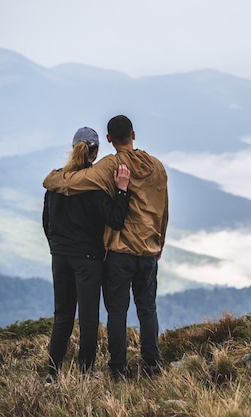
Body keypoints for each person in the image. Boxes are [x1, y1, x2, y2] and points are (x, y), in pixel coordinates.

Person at [43, 115, 169, 380]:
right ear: (133, 134)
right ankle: (152, 365)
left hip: (119, 251)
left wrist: (52, 180)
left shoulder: (109, 166)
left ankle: (117, 369)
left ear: (110, 139)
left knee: (116, 311)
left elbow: (71, 183)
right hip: (147, 248)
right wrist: (160, 242)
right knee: (147, 308)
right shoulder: (157, 166)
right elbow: (163, 210)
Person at [42, 126, 131, 383]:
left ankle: (52, 374)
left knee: (63, 316)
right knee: (89, 319)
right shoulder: (93, 187)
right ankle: (86, 373)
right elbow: (115, 220)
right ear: (96, 152)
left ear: (73, 150)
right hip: (89, 259)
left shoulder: (56, 183)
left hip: (60, 256)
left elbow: (47, 222)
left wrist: (56, 248)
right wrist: (122, 191)